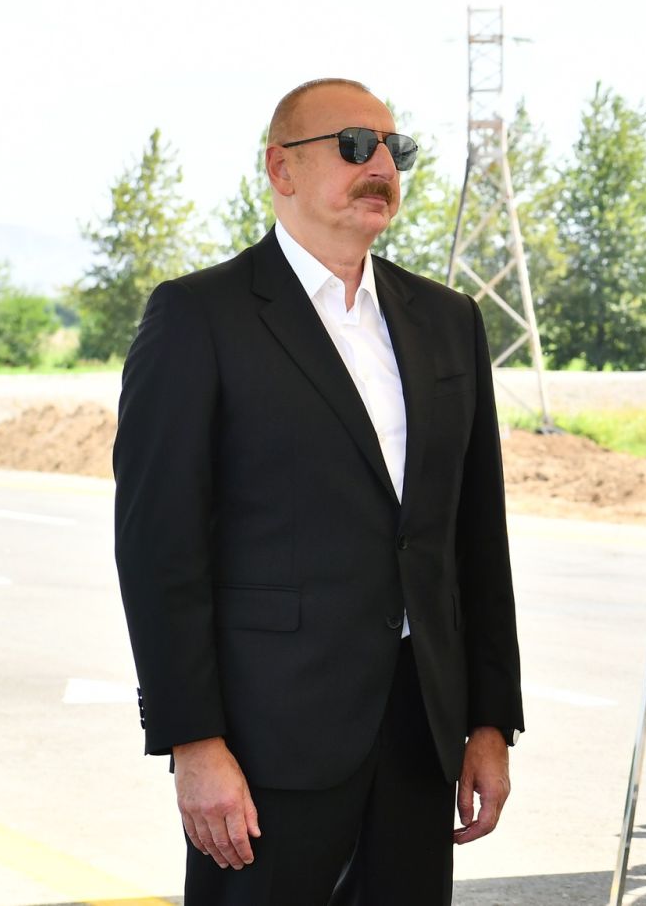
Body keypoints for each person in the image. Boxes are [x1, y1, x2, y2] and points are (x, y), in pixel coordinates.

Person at [114, 78, 523, 905]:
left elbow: (475, 536)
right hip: (267, 743)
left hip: (420, 734)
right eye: (354, 146)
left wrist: (489, 720)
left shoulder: (449, 320)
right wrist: (193, 741)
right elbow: (160, 550)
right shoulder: (200, 316)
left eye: (395, 149)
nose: (381, 166)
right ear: (281, 169)